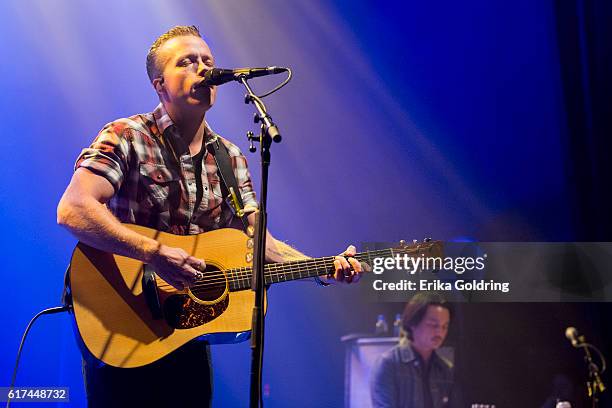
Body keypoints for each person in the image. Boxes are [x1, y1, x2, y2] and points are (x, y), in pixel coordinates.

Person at [57, 25, 363, 407]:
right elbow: (73, 209)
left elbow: (257, 240)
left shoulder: (230, 157)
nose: (202, 69)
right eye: (186, 62)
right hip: (122, 317)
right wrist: (153, 253)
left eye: (207, 61)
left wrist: (319, 267)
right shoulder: (127, 135)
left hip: (187, 330)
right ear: (159, 85)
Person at [370, 293, 461, 408]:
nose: (440, 333)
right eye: (433, 325)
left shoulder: (445, 369)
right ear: (413, 323)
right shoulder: (389, 364)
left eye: (445, 326)